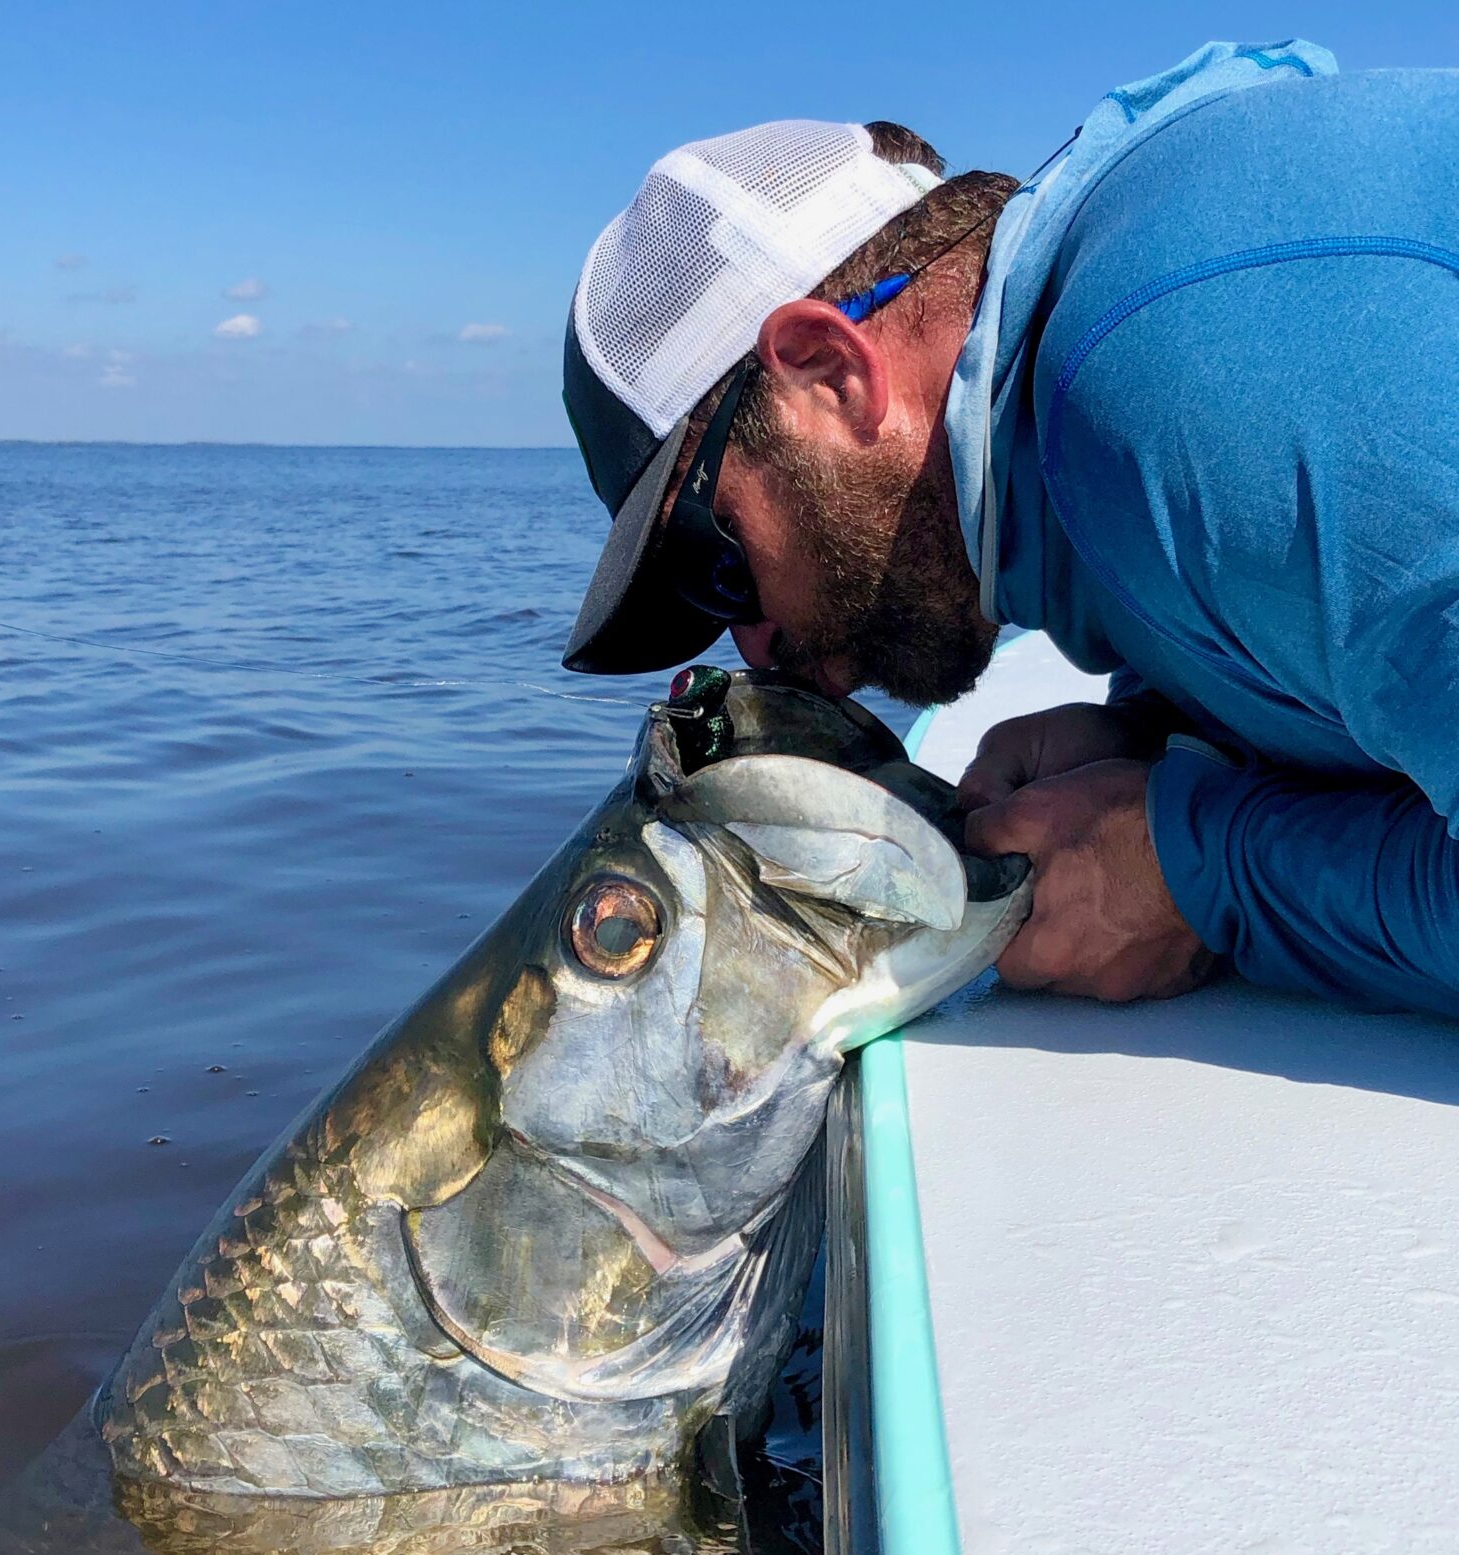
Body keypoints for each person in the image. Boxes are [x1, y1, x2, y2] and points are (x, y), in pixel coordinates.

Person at [559, 40, 1459, 1020]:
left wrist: (1206, 879)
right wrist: (1159, 737)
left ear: (828, 371)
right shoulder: (1114, 318)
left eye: (717, 562)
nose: (754, 647)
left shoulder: (1177, 377)